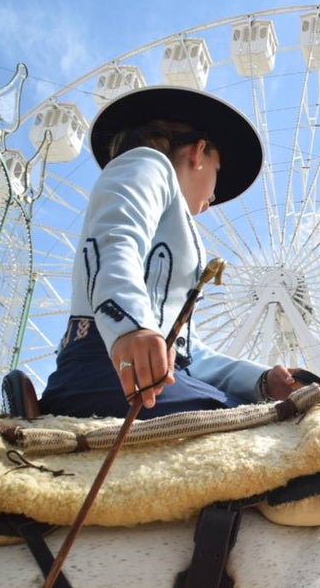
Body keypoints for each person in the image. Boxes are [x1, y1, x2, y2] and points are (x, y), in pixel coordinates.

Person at [39, 86, 303, 419]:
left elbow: (187, 354)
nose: (214, 196)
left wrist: (262, 381)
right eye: (217, 171)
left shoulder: (175, 218)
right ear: (198, 152)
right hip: (111, 371)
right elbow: (115, 241)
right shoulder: (147, 164)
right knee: (284, 427)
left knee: (289, 416)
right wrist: (130, 328)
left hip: (157, 375)